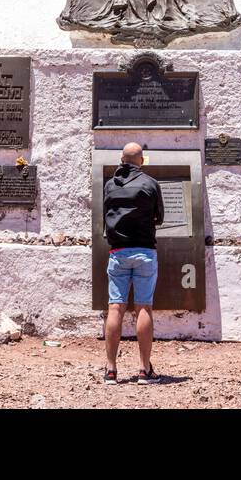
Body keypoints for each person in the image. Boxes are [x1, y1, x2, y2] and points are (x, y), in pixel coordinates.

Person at [102, 142, 165, 383]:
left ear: (121, 159)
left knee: (115, 307)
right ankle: (144, 370)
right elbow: (160, 216)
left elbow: (104, 215)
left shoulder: (110, 184)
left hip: (117, 252)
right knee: (143, 308)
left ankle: (110, 369)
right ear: (141, 160)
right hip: (145, 252)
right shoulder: (150, 183)